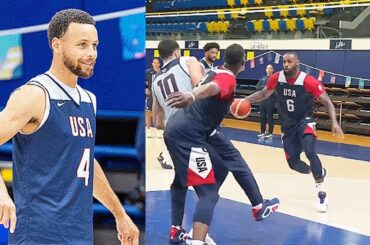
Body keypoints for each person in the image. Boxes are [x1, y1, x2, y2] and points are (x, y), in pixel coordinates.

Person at [0, 9, 139, 244]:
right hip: (37, 235)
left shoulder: (88, 100)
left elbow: (84, 160)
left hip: (79, 233)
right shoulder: (34, 94)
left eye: (94, 45)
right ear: (57, 45)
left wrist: (120, 214)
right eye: (82, 45)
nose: (91, 53)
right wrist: (1, 194)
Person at [154, 43, 279, 245]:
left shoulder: (214, 70)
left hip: (179, 128)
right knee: (209, 193)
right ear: (243, 63)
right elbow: (214, 88)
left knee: (206, 171)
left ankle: (176, 230)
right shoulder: (227, 78)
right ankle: (198, 240)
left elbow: (158, 121)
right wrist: (192, 95)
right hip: (191, 134)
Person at [244, 52, 344, 212]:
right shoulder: (276, 78)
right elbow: (263, 94)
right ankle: (317, 171)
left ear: (297, 62)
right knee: (294, 164)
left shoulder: (308, 80)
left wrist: (334, 122)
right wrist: (244, 100)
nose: (286, 64)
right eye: (284, 62)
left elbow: (327, 102)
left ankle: (321, 192)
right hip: (287, 126)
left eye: (289, 61)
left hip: (305, 121)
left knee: (310, 151)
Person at [256, 64, 276, 139]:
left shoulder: (274, 78)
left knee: (270, 116)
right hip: (262, 100)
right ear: (266, 69)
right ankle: (262, 132)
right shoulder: (262, 79)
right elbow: (257, 87)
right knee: (262, 116)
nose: (269, 69)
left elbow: (275, 89)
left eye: (270, 68)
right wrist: (264, 87)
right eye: (267, 68)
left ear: (272, 70)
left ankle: (270, 132)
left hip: (271, 100)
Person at [145, 58, 160, 137]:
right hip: (151, 94)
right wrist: (146, 88)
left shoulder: (162, 72)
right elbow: (145, 80)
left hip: (159, 94)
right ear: (152, 64)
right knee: (148, 111)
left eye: (157, 63)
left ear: (159, 64)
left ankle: (159, 130)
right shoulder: (147, 72)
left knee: (159, 112)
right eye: (155, 63)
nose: (156, 64)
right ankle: (148, 129)